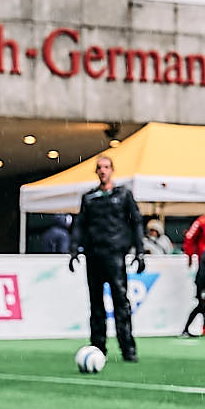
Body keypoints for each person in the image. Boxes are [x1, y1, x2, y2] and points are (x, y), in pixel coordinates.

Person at [70, 153, 145, 362]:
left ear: (112, 170)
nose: (103, 171)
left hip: (115, 255)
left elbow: (136, 222)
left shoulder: (123, 195)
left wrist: (140, 251)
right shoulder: (89, 197)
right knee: (96, 305)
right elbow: (79, 225)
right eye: (100, 167)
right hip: (94, 255)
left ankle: (128, 349)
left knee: (121, 302)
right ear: (96, 171)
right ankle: (97, 348)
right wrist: (73, 249)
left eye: (106, 167)